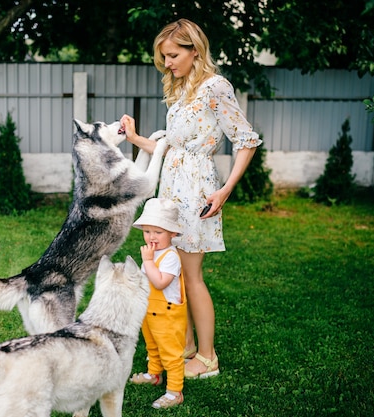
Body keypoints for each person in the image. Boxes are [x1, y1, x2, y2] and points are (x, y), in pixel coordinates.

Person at [120, 18, 262, 379]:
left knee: (192, 276)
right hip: (171, 187)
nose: (166, 63)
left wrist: (225, 189)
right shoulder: (182, 90)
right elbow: (171, 148)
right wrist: (136, 139)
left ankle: (207, 357)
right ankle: (182, 348)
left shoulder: (216, 87)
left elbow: (246, 141)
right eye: (164, 57)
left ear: (193, 50)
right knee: (175, 273)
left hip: (198, 189)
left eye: (172, 55)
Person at [130, 197, 187, 409]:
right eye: (147, 231)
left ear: (172, 233)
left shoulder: (170, 256)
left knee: (171, 352)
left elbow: (161, 282)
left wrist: (147, 261)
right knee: (152, 346)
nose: (151, 237)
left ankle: (175, 392)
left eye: (158, 232)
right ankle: (154, 374)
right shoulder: (153, 252)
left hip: (167, 315)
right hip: (149, 311)